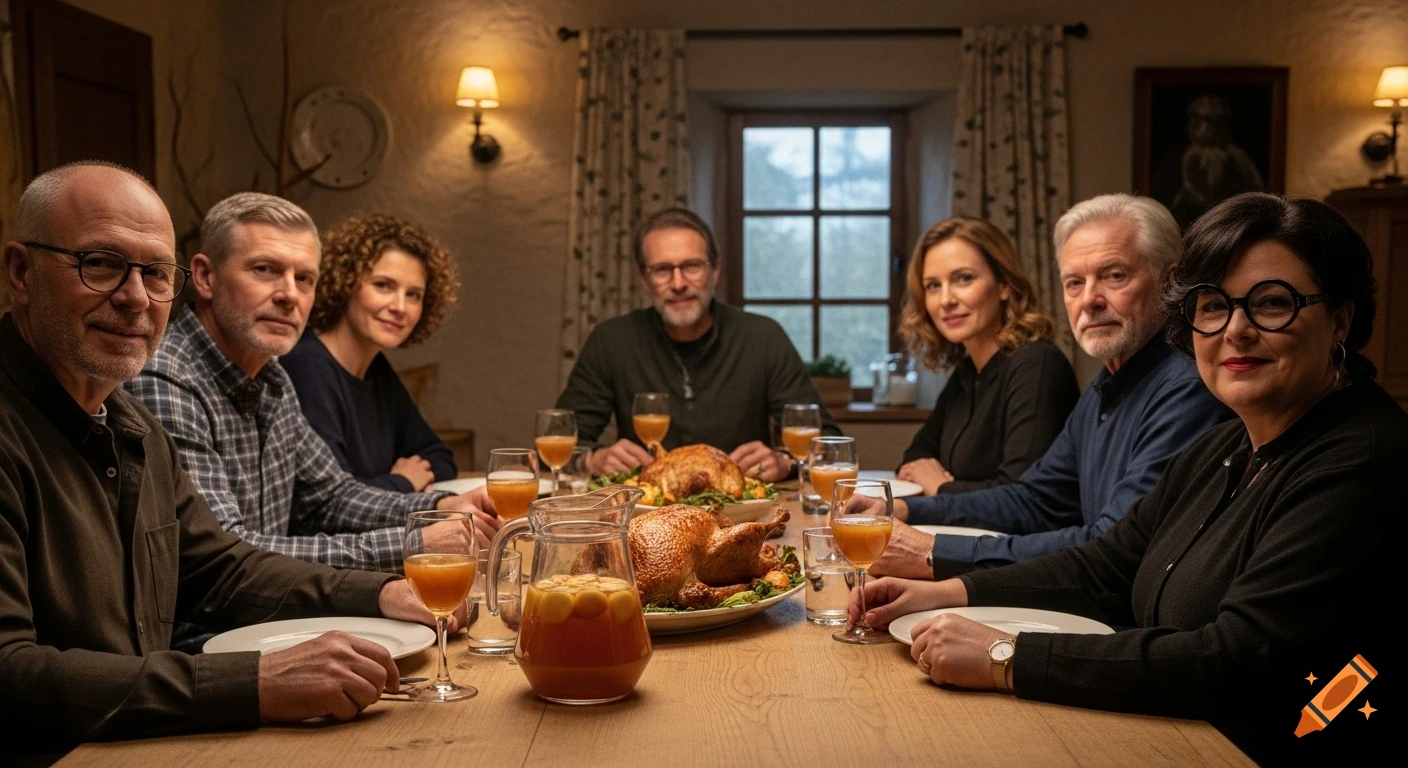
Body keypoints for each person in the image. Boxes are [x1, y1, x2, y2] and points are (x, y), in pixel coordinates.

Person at [848, 193, 1403, 764]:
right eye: (1213, 306)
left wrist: (1006, 656)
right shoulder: (1227, 445)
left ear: (1341, 318)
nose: (1235, 329)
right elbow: (1107, 563)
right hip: (1171, 732)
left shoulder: (1361, 458)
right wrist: (942, 592)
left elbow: (1238, 661)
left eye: (1271, 303)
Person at [0, 162, 463, 753]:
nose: (135, 297)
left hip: (140, 738)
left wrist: (379, 594)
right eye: (102, 264)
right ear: (21, 271)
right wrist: (254, 681)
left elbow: (223, 567)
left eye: (155, 274)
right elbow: (10, 675)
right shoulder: (120, 400)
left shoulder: (128, 419)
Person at [126, 192, 499, 580]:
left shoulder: (272, 377)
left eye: (304, 278)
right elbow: (224, 554)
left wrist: (445, 506)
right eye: (265, 269)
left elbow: (331, 497)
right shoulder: (168, 378)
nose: (290, 295)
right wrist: (414, 542)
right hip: (207, 634)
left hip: (273, 607)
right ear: (205, 277)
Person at [869, 195, 1229, 580]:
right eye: (1074, 282)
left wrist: (933, 552)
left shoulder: (1189, 385)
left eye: (1114, 276)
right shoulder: (1102, 387)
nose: (1089, 300)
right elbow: (1034, 501)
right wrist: (908, 510)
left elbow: (1112, 549)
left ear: (1168, 282)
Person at [557, 207, 841, 480]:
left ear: (714, 271)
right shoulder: (611, 341)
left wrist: (786, 461)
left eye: (692, 266)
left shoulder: (763, 337)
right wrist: (592, 458)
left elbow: (832, 445)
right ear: (644, 279)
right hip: (647, 514)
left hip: (741, 513)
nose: (678, 283)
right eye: (662, 270)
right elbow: (558, 442)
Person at [895, 217, 1079, 496]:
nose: (946, 300)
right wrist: (938, 482)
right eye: (933, 285)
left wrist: (943, 487)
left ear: (1004, 284)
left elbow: (1022, 495)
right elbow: (914, 459)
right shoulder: (967, 372)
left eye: (963, 278)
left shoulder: (1038, 365)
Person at [280, 214, 459, 492]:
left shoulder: (376, 370)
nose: (400, 306)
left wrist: (387, 484)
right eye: (383, 285)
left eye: (414, 294)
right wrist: (401, 482)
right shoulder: (307, 366)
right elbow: (326, 502)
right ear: (346, 283)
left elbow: (439, 459)